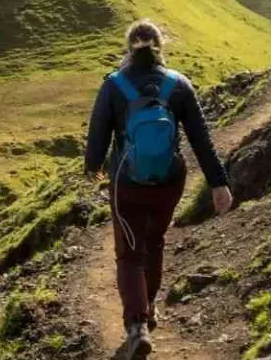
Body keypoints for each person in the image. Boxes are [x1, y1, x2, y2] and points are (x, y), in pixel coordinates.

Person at [84, 19, 235, 359]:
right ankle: (150, 308)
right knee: (154, 242)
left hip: (127, 182)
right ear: (159, 47)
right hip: (169, 180)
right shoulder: (178, 84)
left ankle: (136, 326)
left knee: (129, 252)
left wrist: (92, 167)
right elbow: (201, 139)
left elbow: (97, 135)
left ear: (128, 48)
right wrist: (218, 183)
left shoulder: (113, 85)